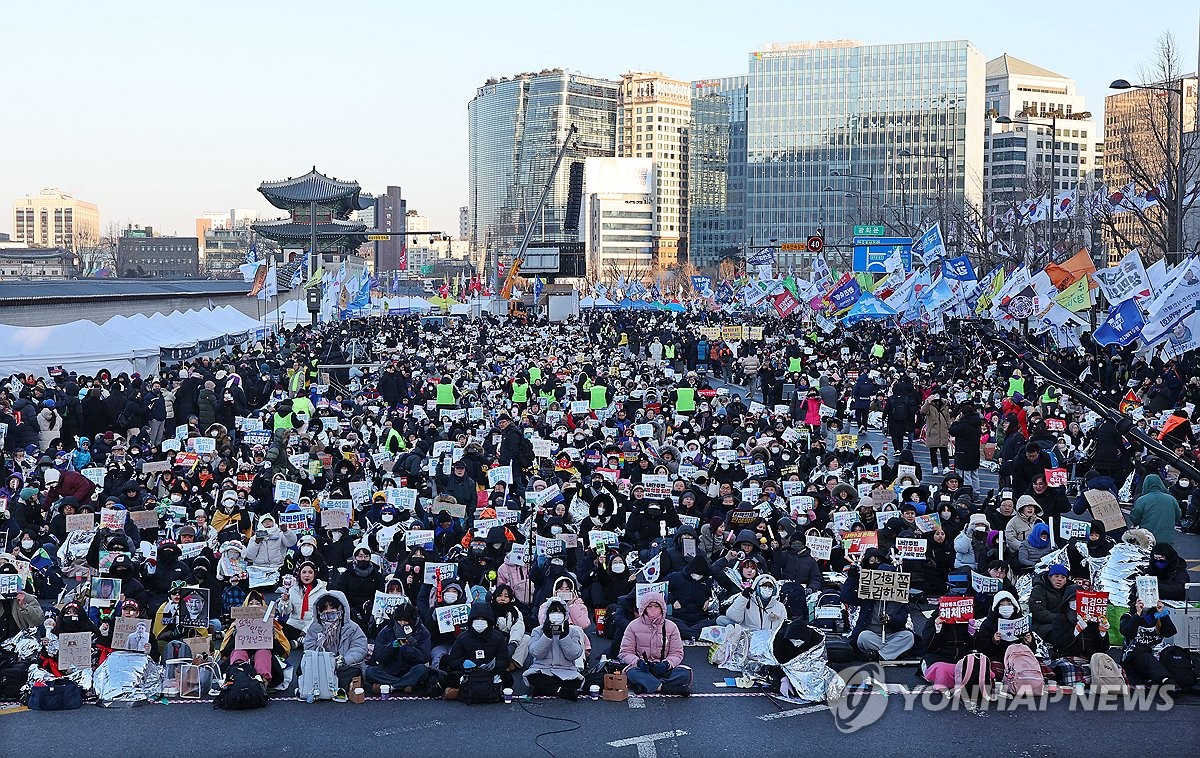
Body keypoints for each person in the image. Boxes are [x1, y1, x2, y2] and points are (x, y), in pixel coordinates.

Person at [841, 547, 914, 661]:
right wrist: (853, 577)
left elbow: (902, 619)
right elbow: (846, 597)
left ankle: (878, 655)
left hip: (891, 635)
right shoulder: (867, 594)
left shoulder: (899, 596)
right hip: (871, 634)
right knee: (863, 637)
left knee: (908, 637)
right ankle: (892, 652)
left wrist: (890, 619)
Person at [618, 591, 691, 696]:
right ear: (643, 608)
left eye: (656, 606)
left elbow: (677, 653)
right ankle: (665, 688)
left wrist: (667, 664)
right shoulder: (633, 626)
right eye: (649, 606)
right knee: (632, 673)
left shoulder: (671, 626)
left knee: (685, 674)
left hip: (663, 667)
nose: (653, 609)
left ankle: (648, 685)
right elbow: (625, 652)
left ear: (662, 608)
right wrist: (638, 662)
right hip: (642, 668)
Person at [302, 590, 368, 696]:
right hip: (321, 665)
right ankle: (335, 687)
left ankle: (341, 686)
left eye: (332, 608)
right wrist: (320, 651)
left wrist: (344, 660)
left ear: (341, 608)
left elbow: (360, 647)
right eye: (325, 609)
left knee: (354, 671)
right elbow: (308, 647)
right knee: (301, 670)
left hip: (345, 665)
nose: (329, 612)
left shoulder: (352, 627)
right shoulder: (315, 627)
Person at [523, 597, 586, 700]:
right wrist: (547, 636)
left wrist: (564, 637)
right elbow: (535, 653)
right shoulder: (538, 631)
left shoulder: (573, 631)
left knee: (575, 680)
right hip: (543, 670)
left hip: (566, 670)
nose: (556, 614)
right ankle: (561, 691)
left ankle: (551, 689)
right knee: (533, 677)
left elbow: (574, 654)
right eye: (552, 611)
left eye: (559, 611)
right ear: (547, 614)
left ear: (565, 614)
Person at [364, 603, 433, 694]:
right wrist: (394, 645)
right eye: (400, 621)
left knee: (423, 670)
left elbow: (424, 656)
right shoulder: (387, 630)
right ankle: (404, 684)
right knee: (369, 671)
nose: (402, 624)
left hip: (410, 669)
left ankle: (392, 686)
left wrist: (406, 648)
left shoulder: (422, 631)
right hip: (389, 669)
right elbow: (378, 655)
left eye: (406, 621)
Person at [1130, 474, 1181, 545]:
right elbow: (1178, 516)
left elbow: (1134, 518)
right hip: (1167, 540)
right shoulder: (1171, 499)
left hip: (1147, 539)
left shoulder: (1142, 500)